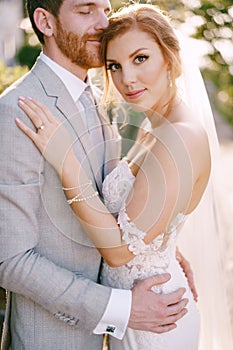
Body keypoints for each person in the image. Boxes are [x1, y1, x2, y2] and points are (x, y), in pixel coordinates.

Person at [14, 3, 217, 350]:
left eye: (141, 58)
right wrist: (162, 241)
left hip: (157, 323)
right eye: (115, 66)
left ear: (170, 58)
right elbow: (141, 221)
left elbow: (121, 252)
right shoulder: (152, 131)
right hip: (131, 315)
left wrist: (67, 163)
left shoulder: (180, 136)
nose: (127, 79)